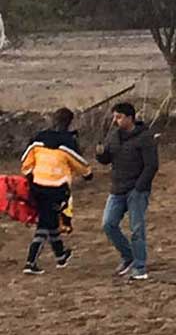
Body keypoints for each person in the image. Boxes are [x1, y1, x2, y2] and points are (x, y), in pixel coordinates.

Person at [20, 108, 92, 275]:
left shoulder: (38, 138)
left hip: (37, 186)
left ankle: (61, 256)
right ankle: (30, 262)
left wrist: (30, 175)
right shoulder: (68, 142)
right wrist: (88, 174)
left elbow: (26, 161)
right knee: (45, 224)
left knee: (50, 220)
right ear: (69, 123)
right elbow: (80, 164)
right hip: (57, 189)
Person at [96, 102, 159, 281]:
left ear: (130, 118)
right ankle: (128, 255)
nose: (115, 120)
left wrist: (140, 187)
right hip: (117, 188)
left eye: (119, 117)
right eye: (115, 117)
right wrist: (101, 155)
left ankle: (140, 266)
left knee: (137, 228)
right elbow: (107, 158)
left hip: (136, 190)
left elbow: (152, 165)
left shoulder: (145, 137)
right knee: (108, 224)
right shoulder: (113, 136)